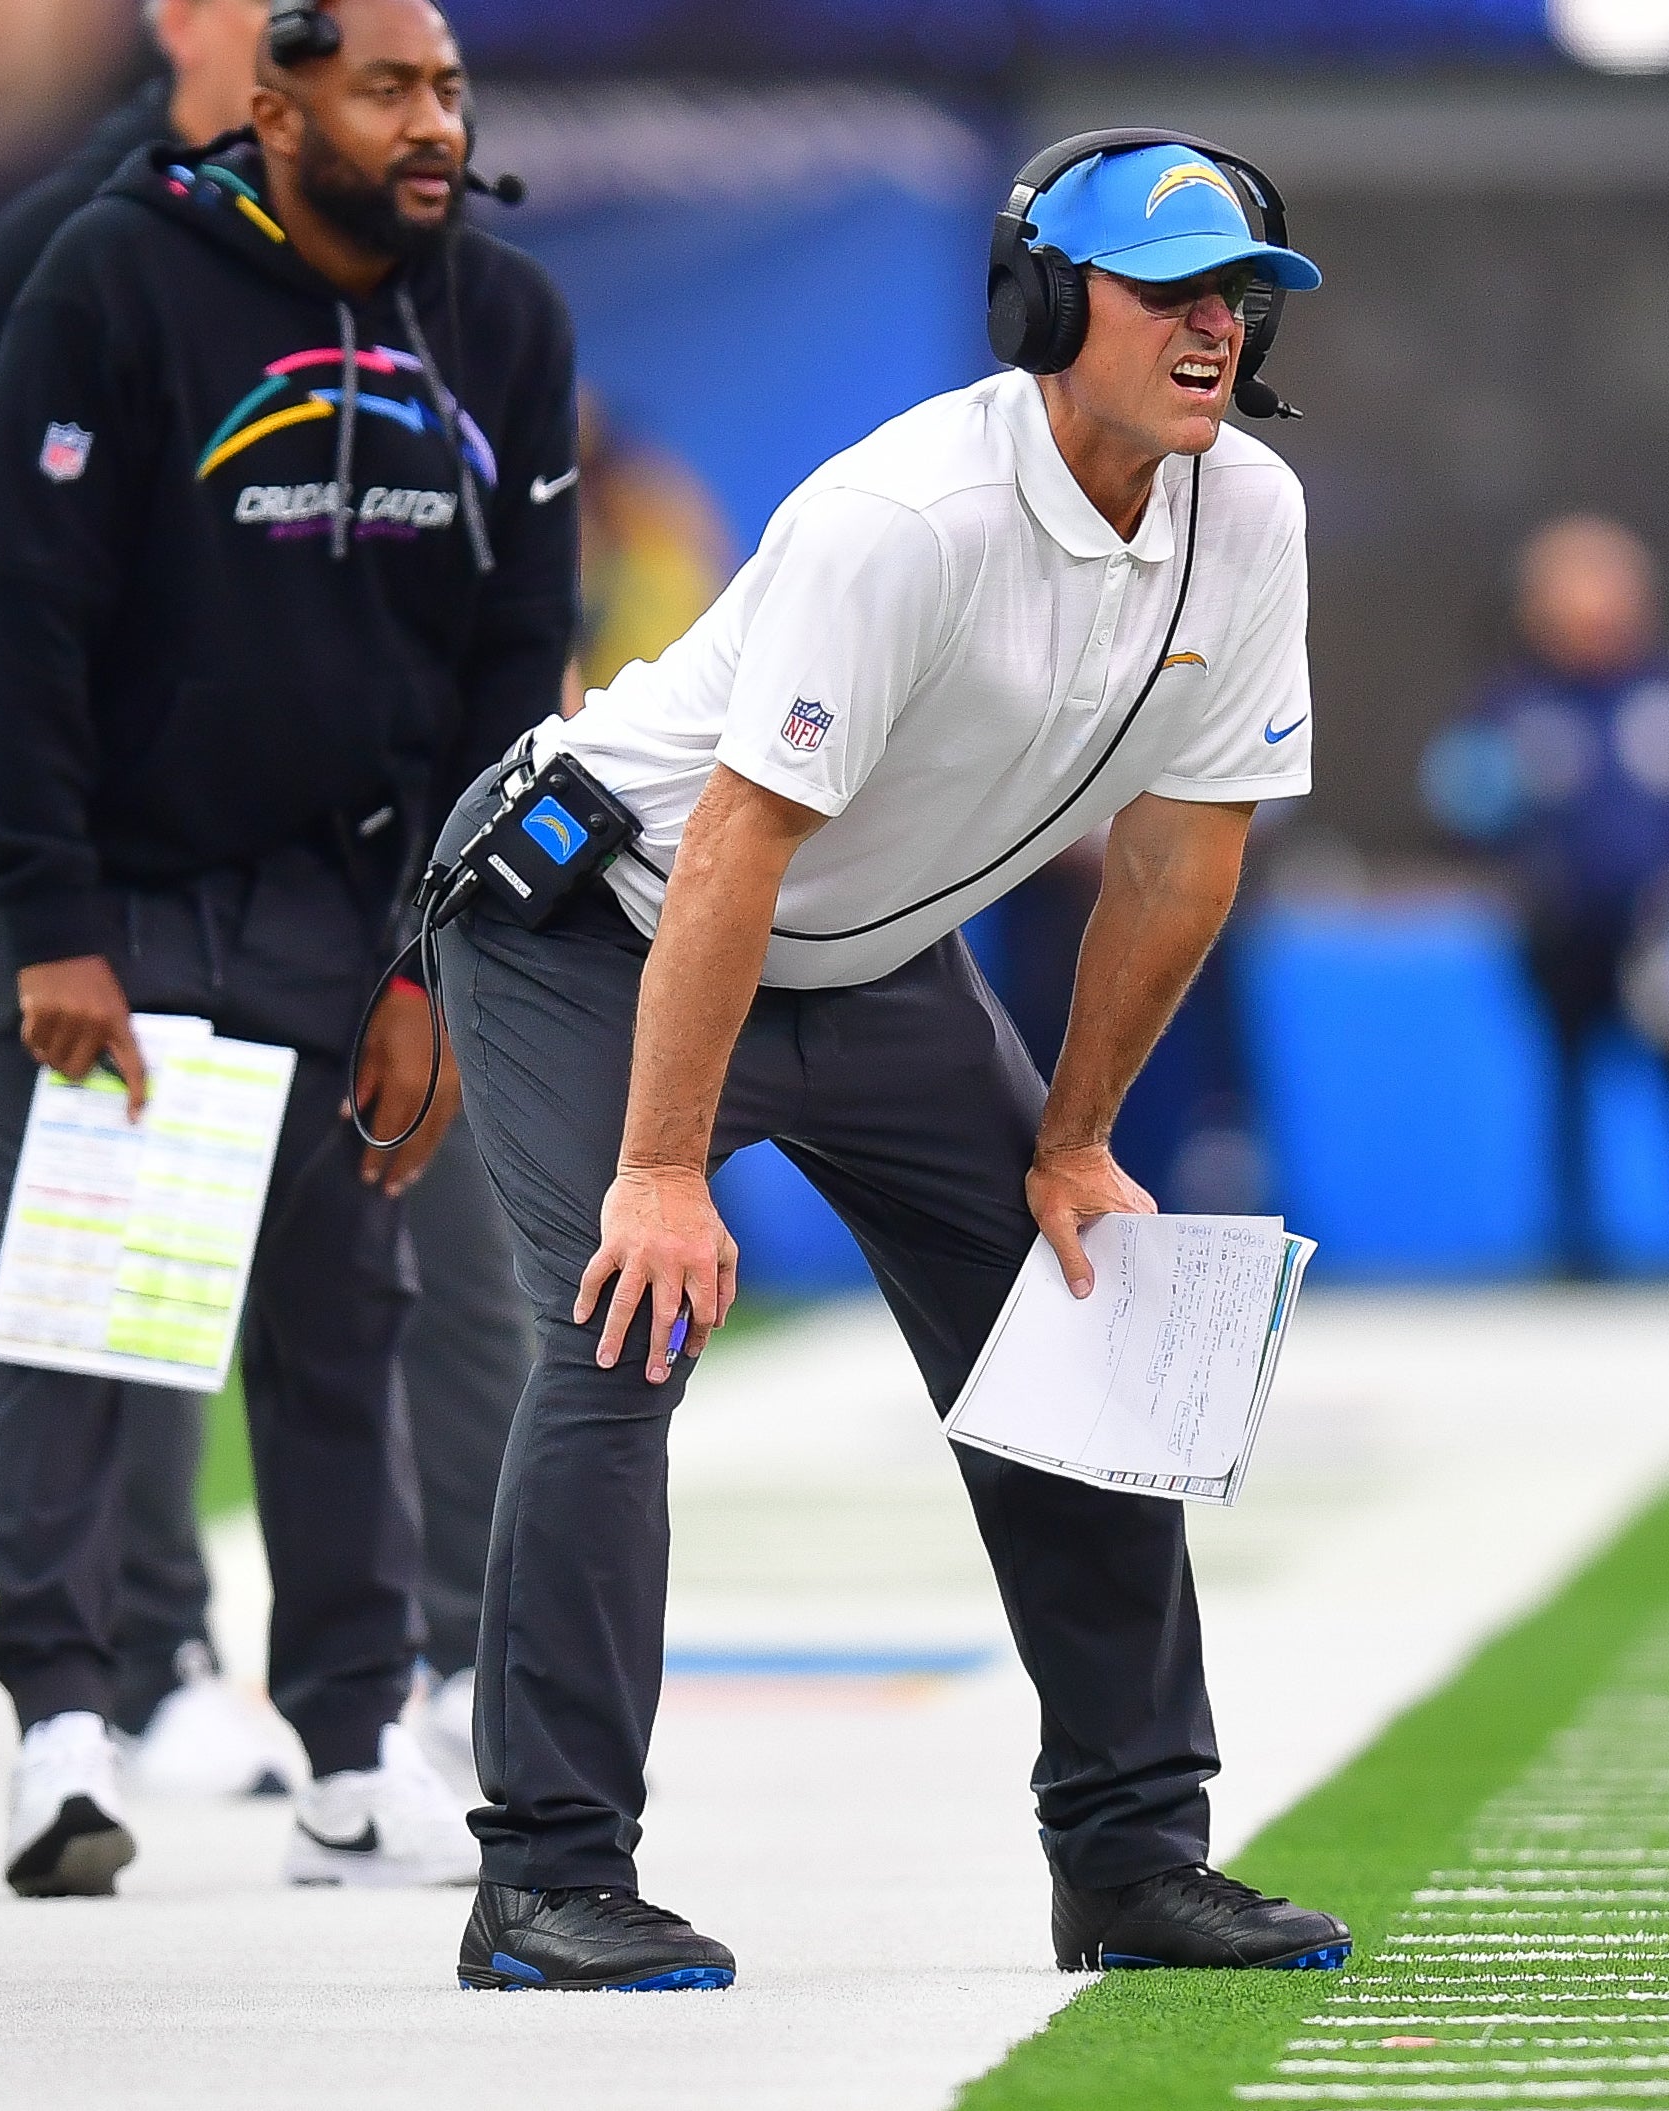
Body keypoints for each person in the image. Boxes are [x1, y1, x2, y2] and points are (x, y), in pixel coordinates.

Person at [431, 134, 1352, 1991]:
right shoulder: (909, 515)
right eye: (1163, 289)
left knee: (1071, 1324)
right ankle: (544, 1877)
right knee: (625, 1323)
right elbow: (729, 851)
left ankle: (1129, 1858)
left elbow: (1186, 854)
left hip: (863, 957)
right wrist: (666, 1169)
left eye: (1234, 293)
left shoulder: (1248, 510)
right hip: (603, 922)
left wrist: (1075, 1137)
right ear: (1041, 306)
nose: (1209, 325)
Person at [0, 0, 576, 1897]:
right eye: (388, 88)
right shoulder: (115, 274)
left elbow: (505, 677)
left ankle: (359, 1756)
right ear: (276, 103)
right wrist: (53, 926)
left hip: (339, 894)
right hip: (96, 890)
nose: (431, 121)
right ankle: (63, 1735)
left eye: (449, 88)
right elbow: (11, 618)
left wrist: (430, 967)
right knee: (87, 1313)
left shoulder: (507, 322)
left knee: (340, 1318)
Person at [0, 0, 305, 1801]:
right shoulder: (79, 224)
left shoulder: (376, 253)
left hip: (279, 846)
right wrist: (59, 707)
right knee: (101, 1234)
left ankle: (293, 1666)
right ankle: (130, 1658)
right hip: (77, 841)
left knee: (255, 1261)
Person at [1422, 515, 1669, 1280]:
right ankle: (1572, 1241)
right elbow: (1462, 800)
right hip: (1558, 933)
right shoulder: (1513, 704)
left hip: (1651, 933)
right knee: (1564, 1084)